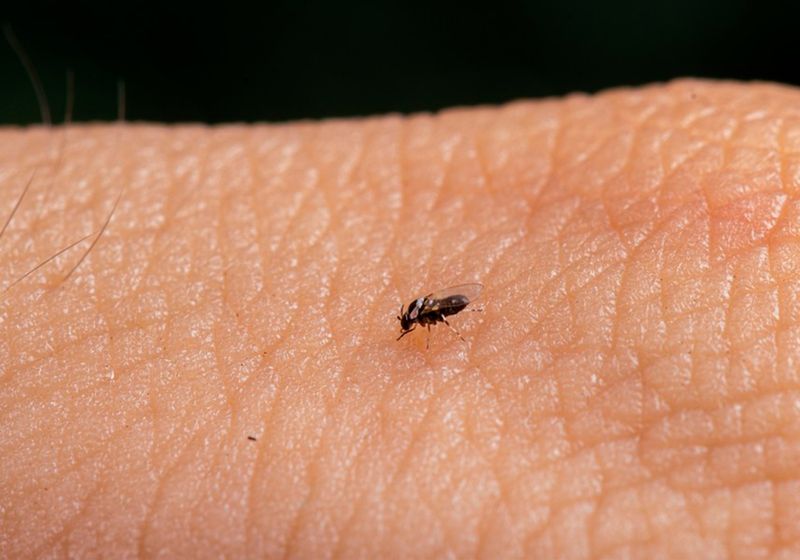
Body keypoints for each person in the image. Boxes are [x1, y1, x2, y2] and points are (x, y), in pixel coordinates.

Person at [2, 79, 797, 557]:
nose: (417, 323)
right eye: (419, 321)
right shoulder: (419, 317)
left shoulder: (427, 315)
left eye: (417, 321)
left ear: (422, 319)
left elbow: (433, 307)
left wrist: (436, 321)